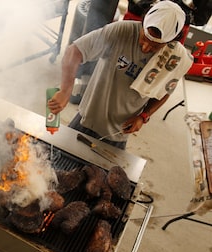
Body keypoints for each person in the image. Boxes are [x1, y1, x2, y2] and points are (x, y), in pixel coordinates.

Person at [48, 1, 194, 149]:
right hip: (87, 118)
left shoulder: (175, 57)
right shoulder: (121, 32)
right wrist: (65, 91)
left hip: (120, 132)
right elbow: (74, 51)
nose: (145, 47)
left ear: (171, 41)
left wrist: (144, 116)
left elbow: (165, 91)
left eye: (155, 46)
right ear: (143, 23)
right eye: (144, 38)